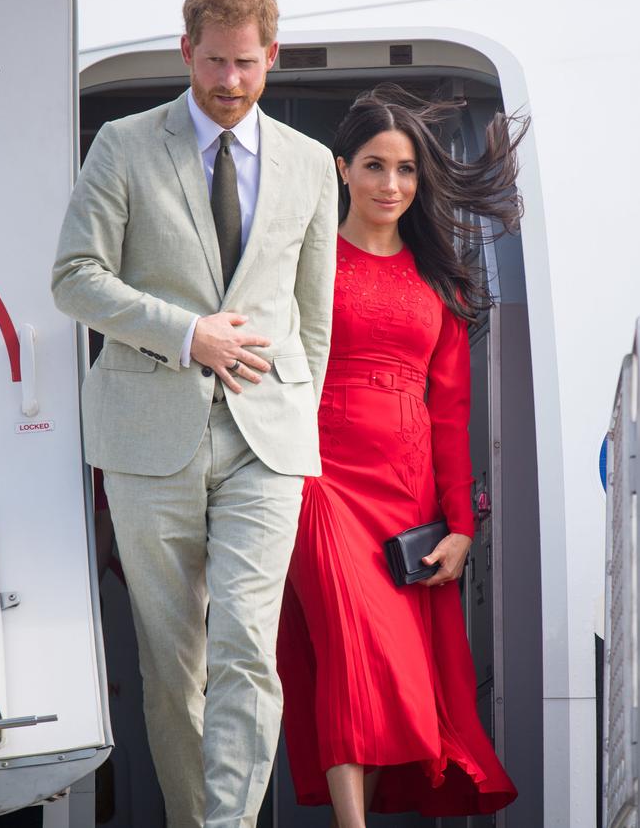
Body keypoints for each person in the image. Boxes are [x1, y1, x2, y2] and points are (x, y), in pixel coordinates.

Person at [51, 0, 337, 828]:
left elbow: (311, 319)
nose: (229, 81)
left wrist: (294, 414)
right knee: (174, 666)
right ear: (186, 52)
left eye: (246, 64)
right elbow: (75, 279)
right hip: (149, 436)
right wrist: (187, 335)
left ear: (271, 57)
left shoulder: (312, 164)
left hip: (265, 441)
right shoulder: (124, 145)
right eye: (213, 61)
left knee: (250, 646)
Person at [277, 84, 527, 826]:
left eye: (407, 169)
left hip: (408, 497)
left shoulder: (438, 278)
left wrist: (460, 526)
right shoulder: (303, 263)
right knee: (352, 651)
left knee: (397, 677)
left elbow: (449, 412)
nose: (392, 184)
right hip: (318, 481)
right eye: (376, 166)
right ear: (342, 168)